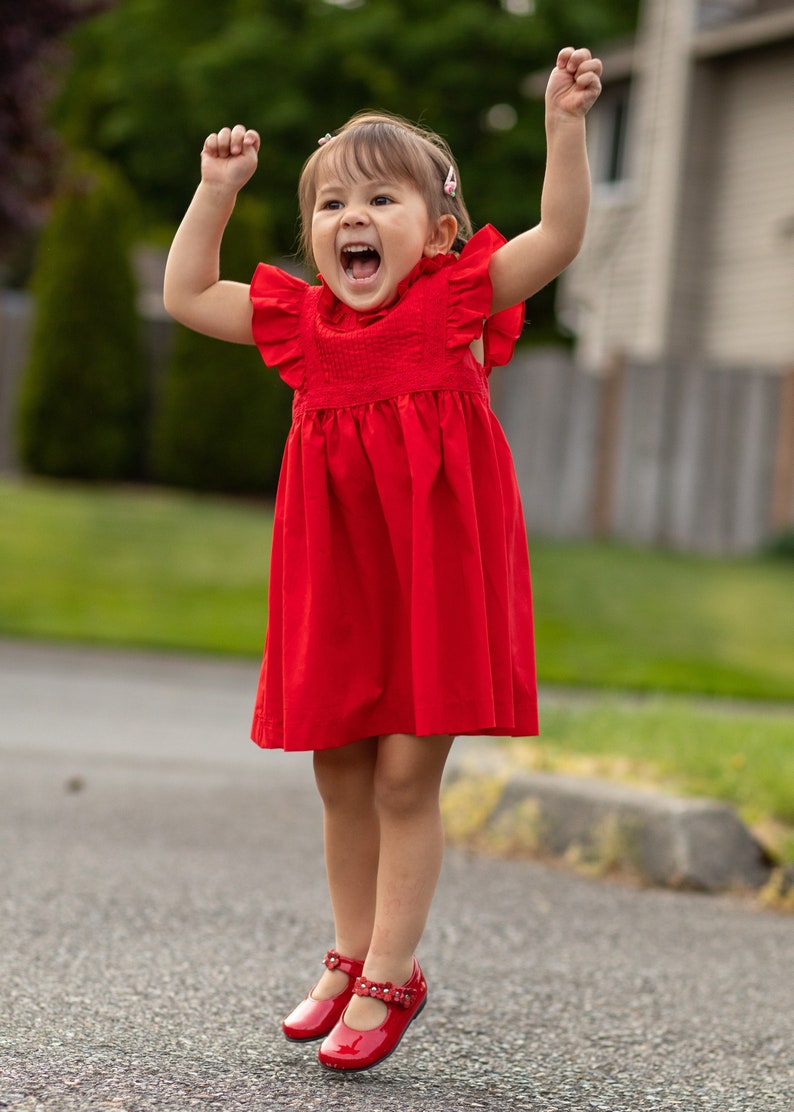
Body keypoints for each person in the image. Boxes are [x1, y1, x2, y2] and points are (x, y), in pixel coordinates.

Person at [163, 45, 602, 1072]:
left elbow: (564, 232)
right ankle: (348, 948)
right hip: (340, 580)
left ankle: (391, 969)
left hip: (437, 577)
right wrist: (215, 189)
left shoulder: (458, 300)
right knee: (340, 768)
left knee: (406, 776)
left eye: (379, 199)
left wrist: (564, 126)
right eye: (329, 206)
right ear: (313, 238)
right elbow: (188, 293)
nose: (350, 218)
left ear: (438, 229)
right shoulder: (300, 326)